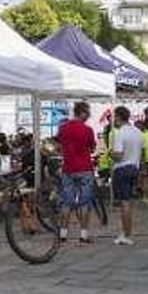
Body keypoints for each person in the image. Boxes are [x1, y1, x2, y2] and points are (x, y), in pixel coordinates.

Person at [56, 102, 96, 244]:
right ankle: (84, 235)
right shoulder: (88, 130)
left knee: (66, 203)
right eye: (88, 112)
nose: (89, 115)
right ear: (83, 112)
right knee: (85, 204)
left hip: (68, 169)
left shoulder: (63, 128)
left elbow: (59, 145)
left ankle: (63, 235)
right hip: (85, 169)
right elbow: (92, 148)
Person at [111, 106, 143, 246]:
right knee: (128, 202)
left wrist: (109, 153)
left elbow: (118, 156)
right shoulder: (138, 132)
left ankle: (126, 234)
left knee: (124, 203)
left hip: (122, 169)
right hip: (134, 168)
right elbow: (144, 153)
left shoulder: (120, 133)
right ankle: (126, 232)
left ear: (118, 117)